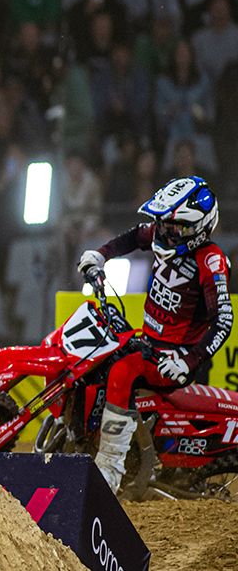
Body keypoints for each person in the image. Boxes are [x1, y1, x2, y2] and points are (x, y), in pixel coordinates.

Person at [78, 177, 232, 492]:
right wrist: (101, 254)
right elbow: (136, 236)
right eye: (163, 224)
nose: (165, 232)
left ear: (199, 228)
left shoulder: (210, 260)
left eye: (175, 227)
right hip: (150, 344)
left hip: (175, 359)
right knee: (98, 356)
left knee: (122, 371)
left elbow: (223, 320)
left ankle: (110, 469)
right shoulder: (165, 234)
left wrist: (189, 361)